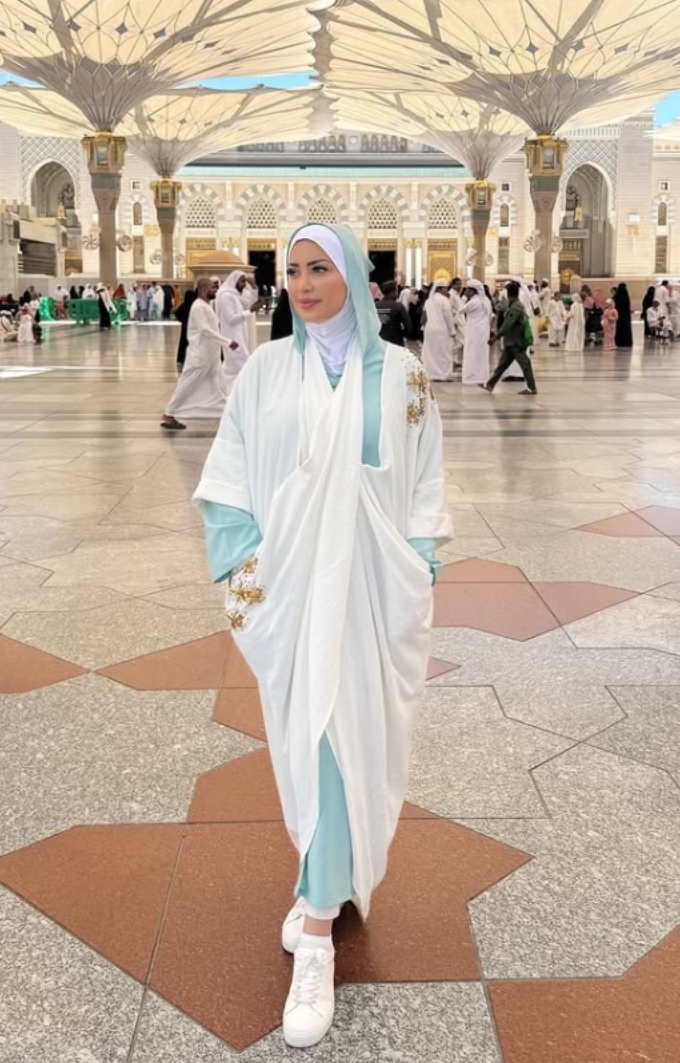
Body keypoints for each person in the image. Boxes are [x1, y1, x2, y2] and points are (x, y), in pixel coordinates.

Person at [193, 222, 451, 1049]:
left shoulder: (402, 375)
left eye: (320, 268)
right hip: (295, 592)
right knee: (311, 738)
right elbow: (228, 476)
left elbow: (426, 478)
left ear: (354, 277)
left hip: (372, 596)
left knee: (347, 737)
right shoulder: (267, 371)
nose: (303, 284)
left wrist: (419, 561)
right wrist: (247, 564)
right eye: (293, 269)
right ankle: (319, 904)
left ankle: (316, 913)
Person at [160, 277, 238, 430]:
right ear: (203, 289)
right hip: (200, 357)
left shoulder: (206, 305)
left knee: (220, 386)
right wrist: (227, 342)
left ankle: (232, 412)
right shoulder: (198, 307)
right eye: (212, 288)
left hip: (211, 357)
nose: (215, 290)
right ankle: (169, 414)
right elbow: (204, 329)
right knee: (187, 385)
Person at [480, 280, 537, 395]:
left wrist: (496, 337)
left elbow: (508, 324)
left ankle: (532, 388)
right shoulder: (515, 305)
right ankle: (490, 385)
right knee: (502, 365)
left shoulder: (516, 307)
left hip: (516, 342)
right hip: (511, 342)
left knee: (525, 364)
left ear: (509, 293)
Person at [215, 271, 263, 395]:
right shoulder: (226, 297)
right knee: (246, 366)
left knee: (231, 370)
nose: (244, 284)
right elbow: (231, 319)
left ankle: (226, 393)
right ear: (234, 281)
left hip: (238, 337)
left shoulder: (234, 295)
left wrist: (254, 287)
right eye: (242, 281)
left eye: (245, 281)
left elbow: (249, 303)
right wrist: (250, 311)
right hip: (233, 339)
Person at [420, 279, 455, 380]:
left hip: (429, 330)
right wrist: (452, 331)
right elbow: (448, 317)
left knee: (431, 353)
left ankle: (432, 374)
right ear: (439, 289)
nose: (446, 290)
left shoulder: (428, 301)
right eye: (445, 288)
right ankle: (444, 375)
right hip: (441, 330)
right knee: (444, 353)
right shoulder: (444, 300)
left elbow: (424, 316)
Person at [461, 278, 491, 385]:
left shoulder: (474, 301)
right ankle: (481, 376)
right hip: (483, 331)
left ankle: (471, 377)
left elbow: (460, 309)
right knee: (481, 354)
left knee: (472, 352)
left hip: (474, 331)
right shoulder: (486, 300)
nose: (466, 292)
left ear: (472, 291)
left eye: (467, 290)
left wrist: (464, 298)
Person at [375, 279, 411, 346]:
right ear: (394, 291)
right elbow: (408, 328)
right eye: (397, 290)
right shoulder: (399, 306)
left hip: (379, 343)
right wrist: (400, 334)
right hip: (395, 343)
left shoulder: (375, 305)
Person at [175, 286, 198, 371]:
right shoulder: (194, 305)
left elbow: (177, 313)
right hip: (192, 328)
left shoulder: (184, 305)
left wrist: (183, 320)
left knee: (183, 343)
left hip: (184, 327)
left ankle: (181, 358)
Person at [448, 277, 466, 369]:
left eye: (460, 284)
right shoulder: (451, 295)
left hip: (461, 321)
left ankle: (455, 361)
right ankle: (450, 359)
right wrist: (453, 322)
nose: (459, 286)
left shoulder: (457, 295)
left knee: (458, 342)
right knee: (459, 342)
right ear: (452, 285)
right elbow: (449, 309)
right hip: (456, 322)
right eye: (457, 284)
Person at [242, 272, 260, 353]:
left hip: (250, 315)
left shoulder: (250, 289)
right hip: (245, 316)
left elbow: (254, 300)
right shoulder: (243, 291)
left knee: (251, 335)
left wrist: (253, 286)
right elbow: (249, 303)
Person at [614, 282, 633, 348]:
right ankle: (626, 342)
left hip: (619, 316)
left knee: (619, 329)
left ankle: (619, 342)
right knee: (625, 330)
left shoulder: (617, 296)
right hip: (625, 317)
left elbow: (616, 305)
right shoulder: (626, 295)